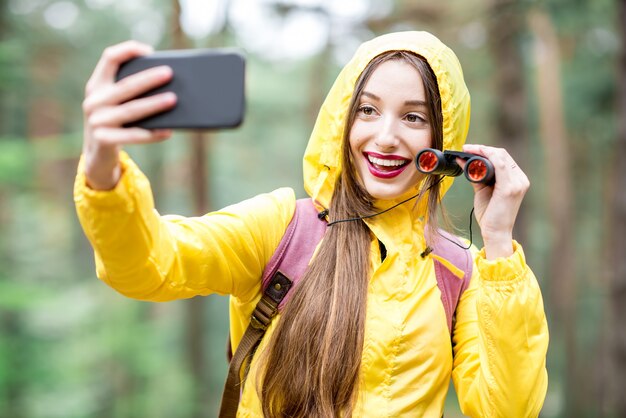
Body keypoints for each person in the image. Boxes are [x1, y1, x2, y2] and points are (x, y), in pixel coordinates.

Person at [74, 31, 548, 417]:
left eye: (413, 117)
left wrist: (499, 242)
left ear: (443, 142)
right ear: (342, 120)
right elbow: (148, 266)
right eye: (367, 109)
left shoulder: (461, 271)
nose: (385, 137)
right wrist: (102, 170)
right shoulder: (282, 228)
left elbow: (507, 409)